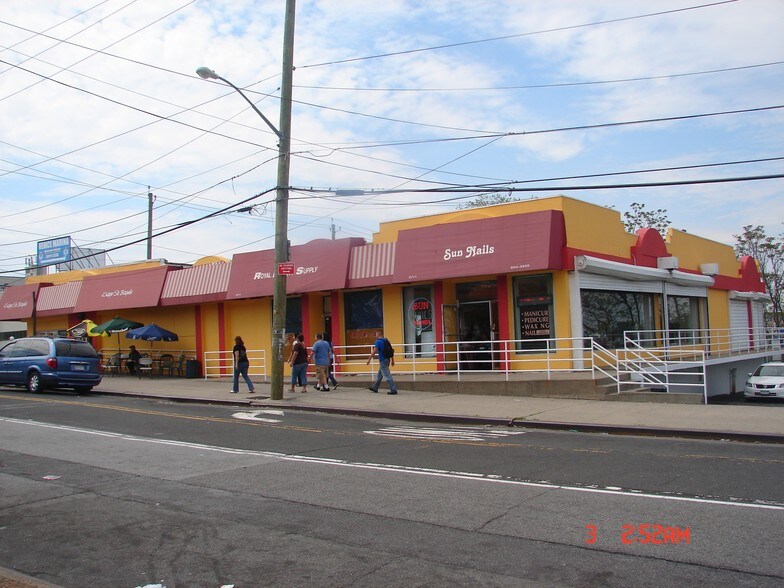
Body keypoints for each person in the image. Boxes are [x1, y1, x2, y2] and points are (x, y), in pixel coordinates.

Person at [366, 330, 398, 395]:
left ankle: (393, 389)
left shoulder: (378, 341)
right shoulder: (386, 340)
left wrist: (369, 359)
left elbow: (374, 351)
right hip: (387, 359)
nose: (375, 335)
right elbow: (391, 351)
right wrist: (392, 360)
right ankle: (375, 387)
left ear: (378, 334)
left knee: (387, 375)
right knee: (380, 374)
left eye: (376, 334)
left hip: (382, 360)